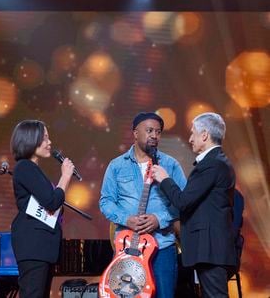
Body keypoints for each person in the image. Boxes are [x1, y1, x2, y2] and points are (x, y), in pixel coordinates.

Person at [99, 112, 186, 298]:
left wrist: (159, 219)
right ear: (135, 133)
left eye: (158, 132)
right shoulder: (116, 166)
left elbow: (184, 202)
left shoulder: (170, 165)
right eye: (149, 130)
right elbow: (106, 202)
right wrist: (126, 219)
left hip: (162, 246)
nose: (154, 135)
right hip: (128, 249)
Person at [152, 112, 236, 298]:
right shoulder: (216, 162)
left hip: (211, 250)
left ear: (204, 135)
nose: (190, 139)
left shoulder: (212, 163)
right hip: (210, 249)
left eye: (193, 133)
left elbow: (183, 201)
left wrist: (165, 179)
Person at [10, 120, 74, 298]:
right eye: (44, 137)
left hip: (41, 246)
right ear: (31, 139)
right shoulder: (25, 167)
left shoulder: (32, 169)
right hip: (33, 244)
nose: (49, 142)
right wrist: (66, 176)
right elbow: (52, 202)